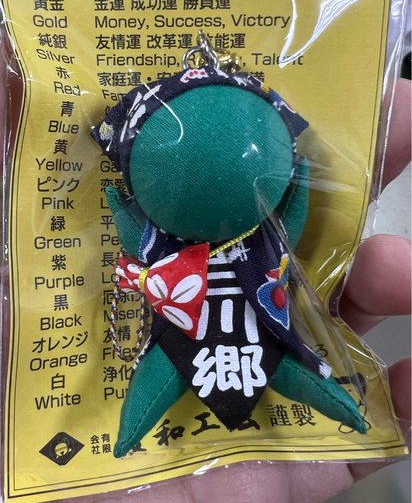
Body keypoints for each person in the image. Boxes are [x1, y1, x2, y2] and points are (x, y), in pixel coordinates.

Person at [0, 37, 410, 502]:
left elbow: (283, 230)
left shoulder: (239, 242)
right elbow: (279, 226)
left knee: (284, 368)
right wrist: (298, 187)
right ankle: (131, 433)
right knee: (164, 373)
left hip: (257, 331)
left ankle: (342, 408)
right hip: (187, 335)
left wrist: (120, 205)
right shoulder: (174, 244)